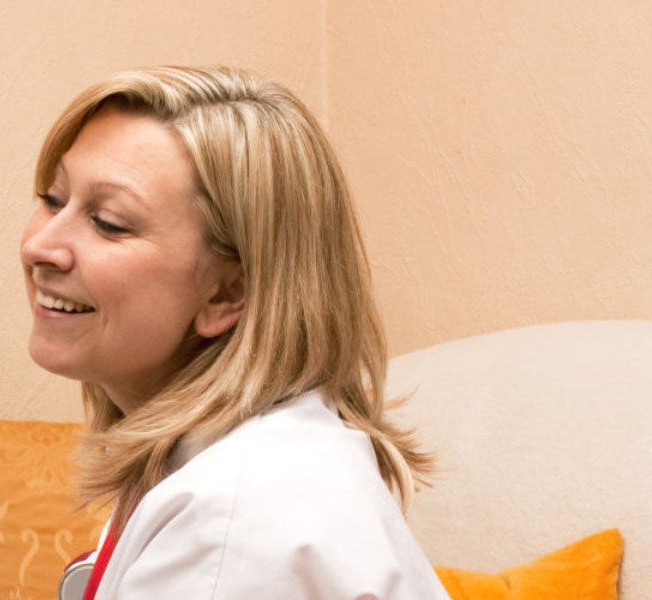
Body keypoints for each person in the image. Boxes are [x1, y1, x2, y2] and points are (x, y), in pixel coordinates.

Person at [23, 66, 445, 598]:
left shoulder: (234, 519)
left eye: (109, 222)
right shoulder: (219, 473)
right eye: (53, 199)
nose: (40, 247)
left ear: (226, 294)